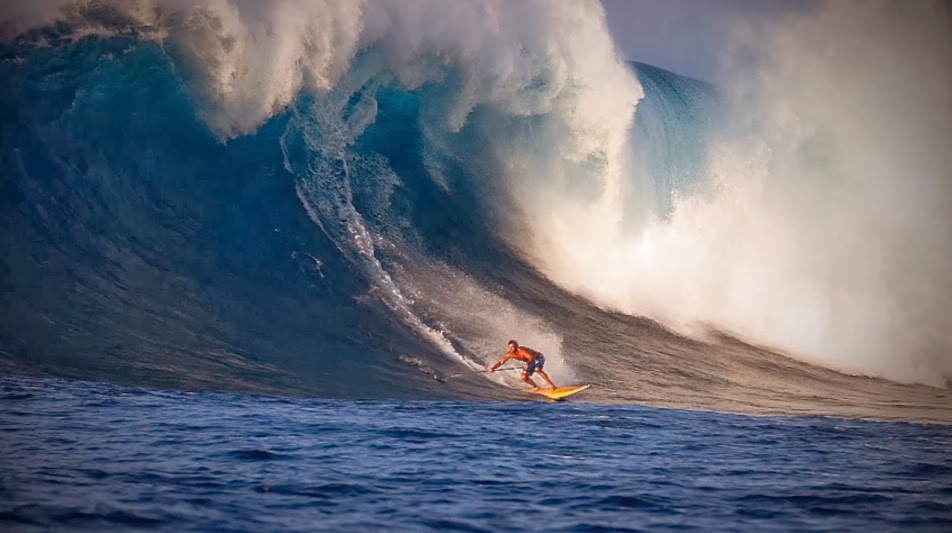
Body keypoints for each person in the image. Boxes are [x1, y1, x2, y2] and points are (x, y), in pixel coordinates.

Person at [489, 339, 557, 390]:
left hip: (538, 357)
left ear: (516, 346)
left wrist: (527, 364)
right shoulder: (509, 354)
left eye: (512, 347)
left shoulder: (522, 350)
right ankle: (536, 386)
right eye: (509, 347)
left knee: (537, 369)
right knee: (524, 377)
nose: (511, 349)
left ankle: (552, 385)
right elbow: (501, 362)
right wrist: (493, 368)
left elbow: (531, 357)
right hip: (530, 361)